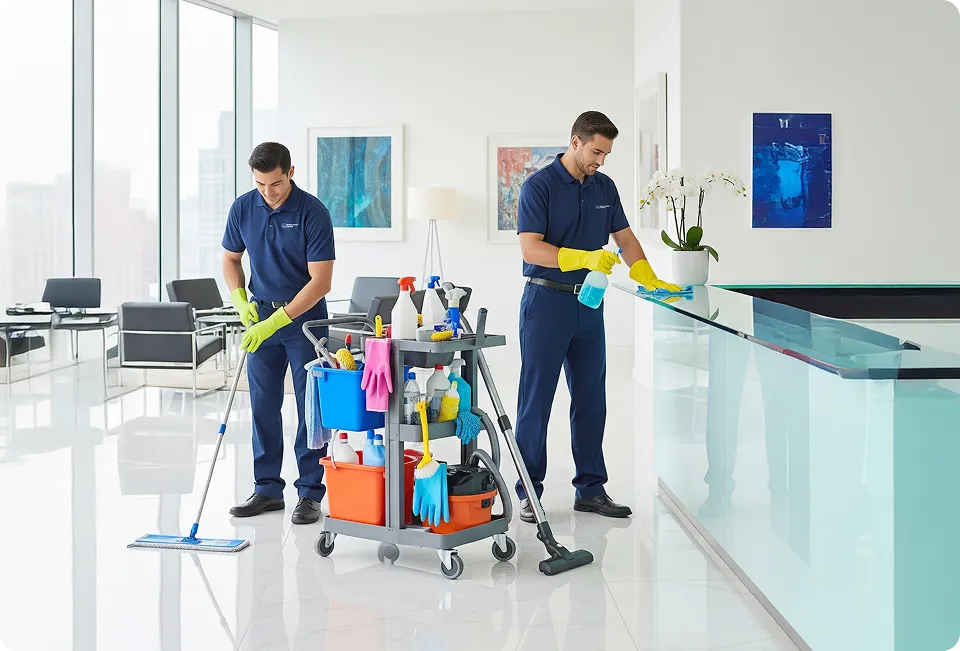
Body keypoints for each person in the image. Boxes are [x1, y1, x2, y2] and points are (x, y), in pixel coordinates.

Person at [515, 111, 680, 522]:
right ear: (575, 142)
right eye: (595, 151)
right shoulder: (540, 186)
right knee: (537, 401)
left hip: (589, 305)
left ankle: (590, 488)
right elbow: (530, 249)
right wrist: (585, 256)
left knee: (592, 400)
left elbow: (625, 239)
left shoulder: (604, 186)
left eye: (606, 153)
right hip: (546, 303)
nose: (600, 160)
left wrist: (648, 275)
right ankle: (528, 491)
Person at [222, 142, 335, 525]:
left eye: (274, 183)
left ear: (290, 171)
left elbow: (320, 282)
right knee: (263, 406)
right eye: (260, 184)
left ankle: (309, 493)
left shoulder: (312, 212)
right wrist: (241, 301)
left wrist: (279, 320)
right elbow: (231, 259)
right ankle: (267, 489)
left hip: (305, 321)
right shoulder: (243, 207)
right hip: (261, 319)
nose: (267, 192)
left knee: (310, 409)